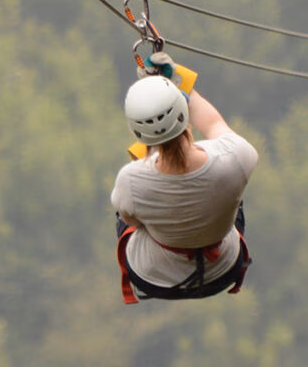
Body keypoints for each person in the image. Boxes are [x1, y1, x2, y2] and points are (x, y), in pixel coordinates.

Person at [110, 56, 259, 302]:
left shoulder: (131, 180)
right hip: (223, 268)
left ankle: (152, 146)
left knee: (128, 209)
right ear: (183, 111)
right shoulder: (234, 158)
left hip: (156, 278)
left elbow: (132, 222)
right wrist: (177, 79)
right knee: (235, 191)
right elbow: (213, 123)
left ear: (137, 132)